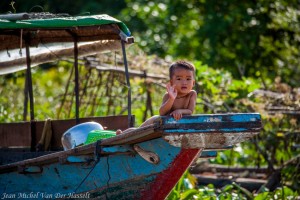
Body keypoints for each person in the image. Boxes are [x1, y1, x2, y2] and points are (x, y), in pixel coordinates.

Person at [116, 60, 197, 134]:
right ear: (172, 82)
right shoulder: (168, 95)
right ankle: (123, 135)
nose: (184, 82)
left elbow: (190, 111)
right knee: (139, 130)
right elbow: (162, 113)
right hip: (162, 122)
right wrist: (171, 98)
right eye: (179, 79)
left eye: (188, 79)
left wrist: (180, 111)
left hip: (179, 125)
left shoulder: (192, 94)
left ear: (193, 83)